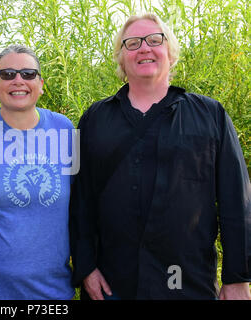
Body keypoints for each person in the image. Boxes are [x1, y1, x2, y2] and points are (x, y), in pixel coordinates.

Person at [69, 13, 251, 300]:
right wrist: (85, 268)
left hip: (187, 281)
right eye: (132, 43)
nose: (144, 48)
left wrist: (237, 277)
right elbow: (80, 200)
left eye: (155, 40)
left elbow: (235, 200)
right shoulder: (93, 119)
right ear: (121, 58)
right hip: (113, 284)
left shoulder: (211, 115)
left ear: (170, 52)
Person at [0, 45, 76, 299]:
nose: (18, 80)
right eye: (7, 74)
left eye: (28, 74)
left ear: (41, 84)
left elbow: (82, 205)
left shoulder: (64, 130)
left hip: (53, 294)